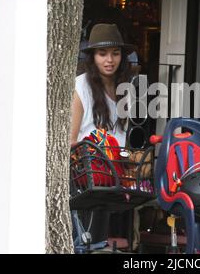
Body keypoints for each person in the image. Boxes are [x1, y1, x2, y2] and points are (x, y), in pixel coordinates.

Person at [70, 23, 134, 247]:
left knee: (99, 242)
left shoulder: (127, 88)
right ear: (92, 56)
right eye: (102, 53)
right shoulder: (80, 87)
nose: (109, 60)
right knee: (85, 243)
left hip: (113, 179)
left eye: (115, 53)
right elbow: (70, 141)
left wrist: (127, 159)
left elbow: (123, 137)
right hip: (85, 180)